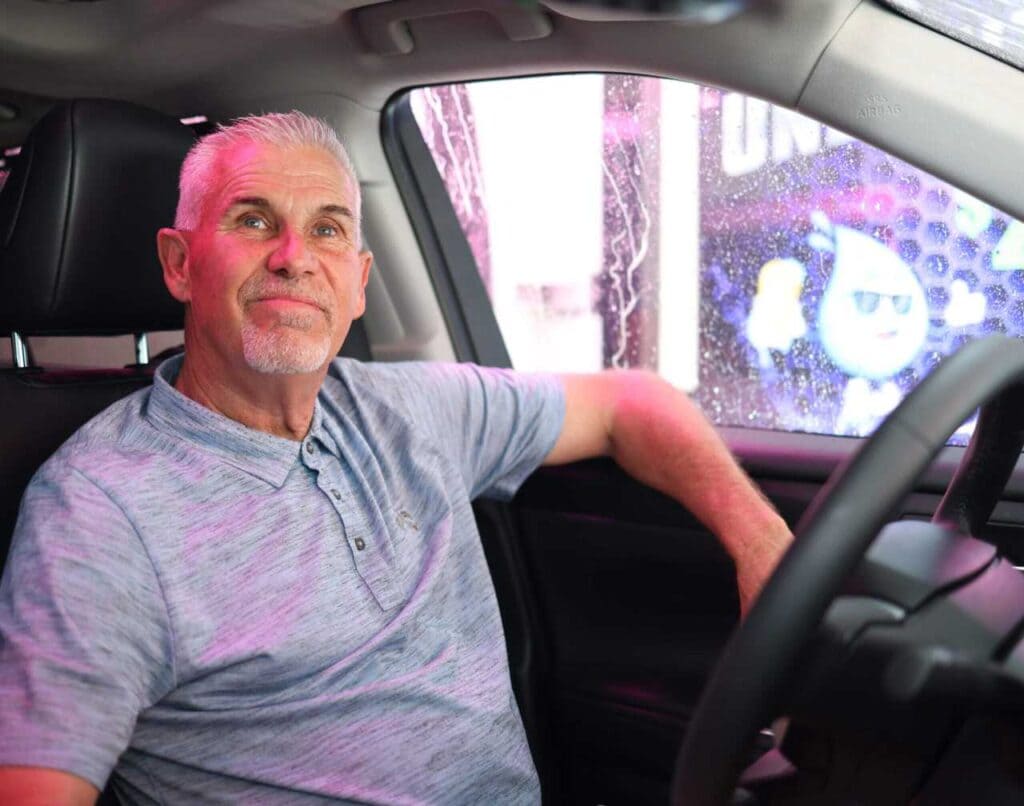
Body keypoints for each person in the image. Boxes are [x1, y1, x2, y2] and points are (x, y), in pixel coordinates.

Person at [0, 111, 792, 805]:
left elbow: (634, 404)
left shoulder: (408, 409)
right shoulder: (100, 511)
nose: (293, 256)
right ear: (179, 263)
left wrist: (763, 550)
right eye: (252, 220)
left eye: (328, 228)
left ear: (357, 284)